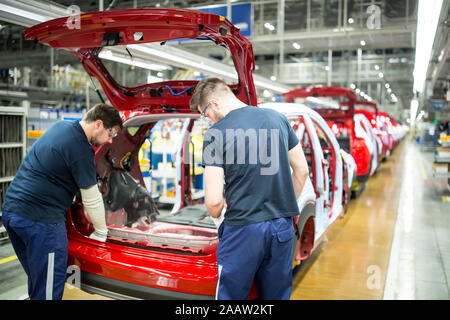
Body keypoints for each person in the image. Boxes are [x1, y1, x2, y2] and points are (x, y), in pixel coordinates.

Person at [189, 78, 309, 300]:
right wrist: (283, 206)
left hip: (243, 229)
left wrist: (217, 217)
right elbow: (302, 170)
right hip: (282, 227)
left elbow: (214, 202)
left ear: (214, 103)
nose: (207, 119)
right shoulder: (278, 119)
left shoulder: (217, 133)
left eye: (204, 113)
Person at [1, 103, 122, 300]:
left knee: (39, 280)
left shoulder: (62, 127)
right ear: (98, 124)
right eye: (111, 133)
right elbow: (92, 198)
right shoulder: (81, 148)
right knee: (48, 290)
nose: (110, 140)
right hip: (41, 224)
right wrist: (101, 232)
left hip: (13, 215)